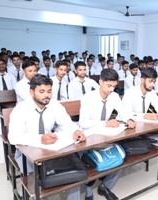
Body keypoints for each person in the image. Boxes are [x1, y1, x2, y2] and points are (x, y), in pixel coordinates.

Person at [8, 74, 85, 200]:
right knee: (38, 184)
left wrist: (75, 131)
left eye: (49, 91)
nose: (46, 95)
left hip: (51, 149)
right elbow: (13, 137)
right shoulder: (20, 109)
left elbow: (66, 123)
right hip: (27, 151)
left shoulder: (55, 105)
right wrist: (40, 139)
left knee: (73, 175)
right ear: (31, 92)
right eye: (42, 91)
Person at [79, 68, 135, 200]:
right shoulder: (88, 97)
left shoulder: (114, 96)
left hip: (107, 134)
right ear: (100, 82)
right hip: (89, 135)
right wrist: (105, 123)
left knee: (121, 156)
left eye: (114, 86)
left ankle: (105, 186)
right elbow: (83, 122)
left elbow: (122, 111)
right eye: (108, 86)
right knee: (86, 161)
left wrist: (128, 119)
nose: (111, 90)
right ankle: (88, 190)